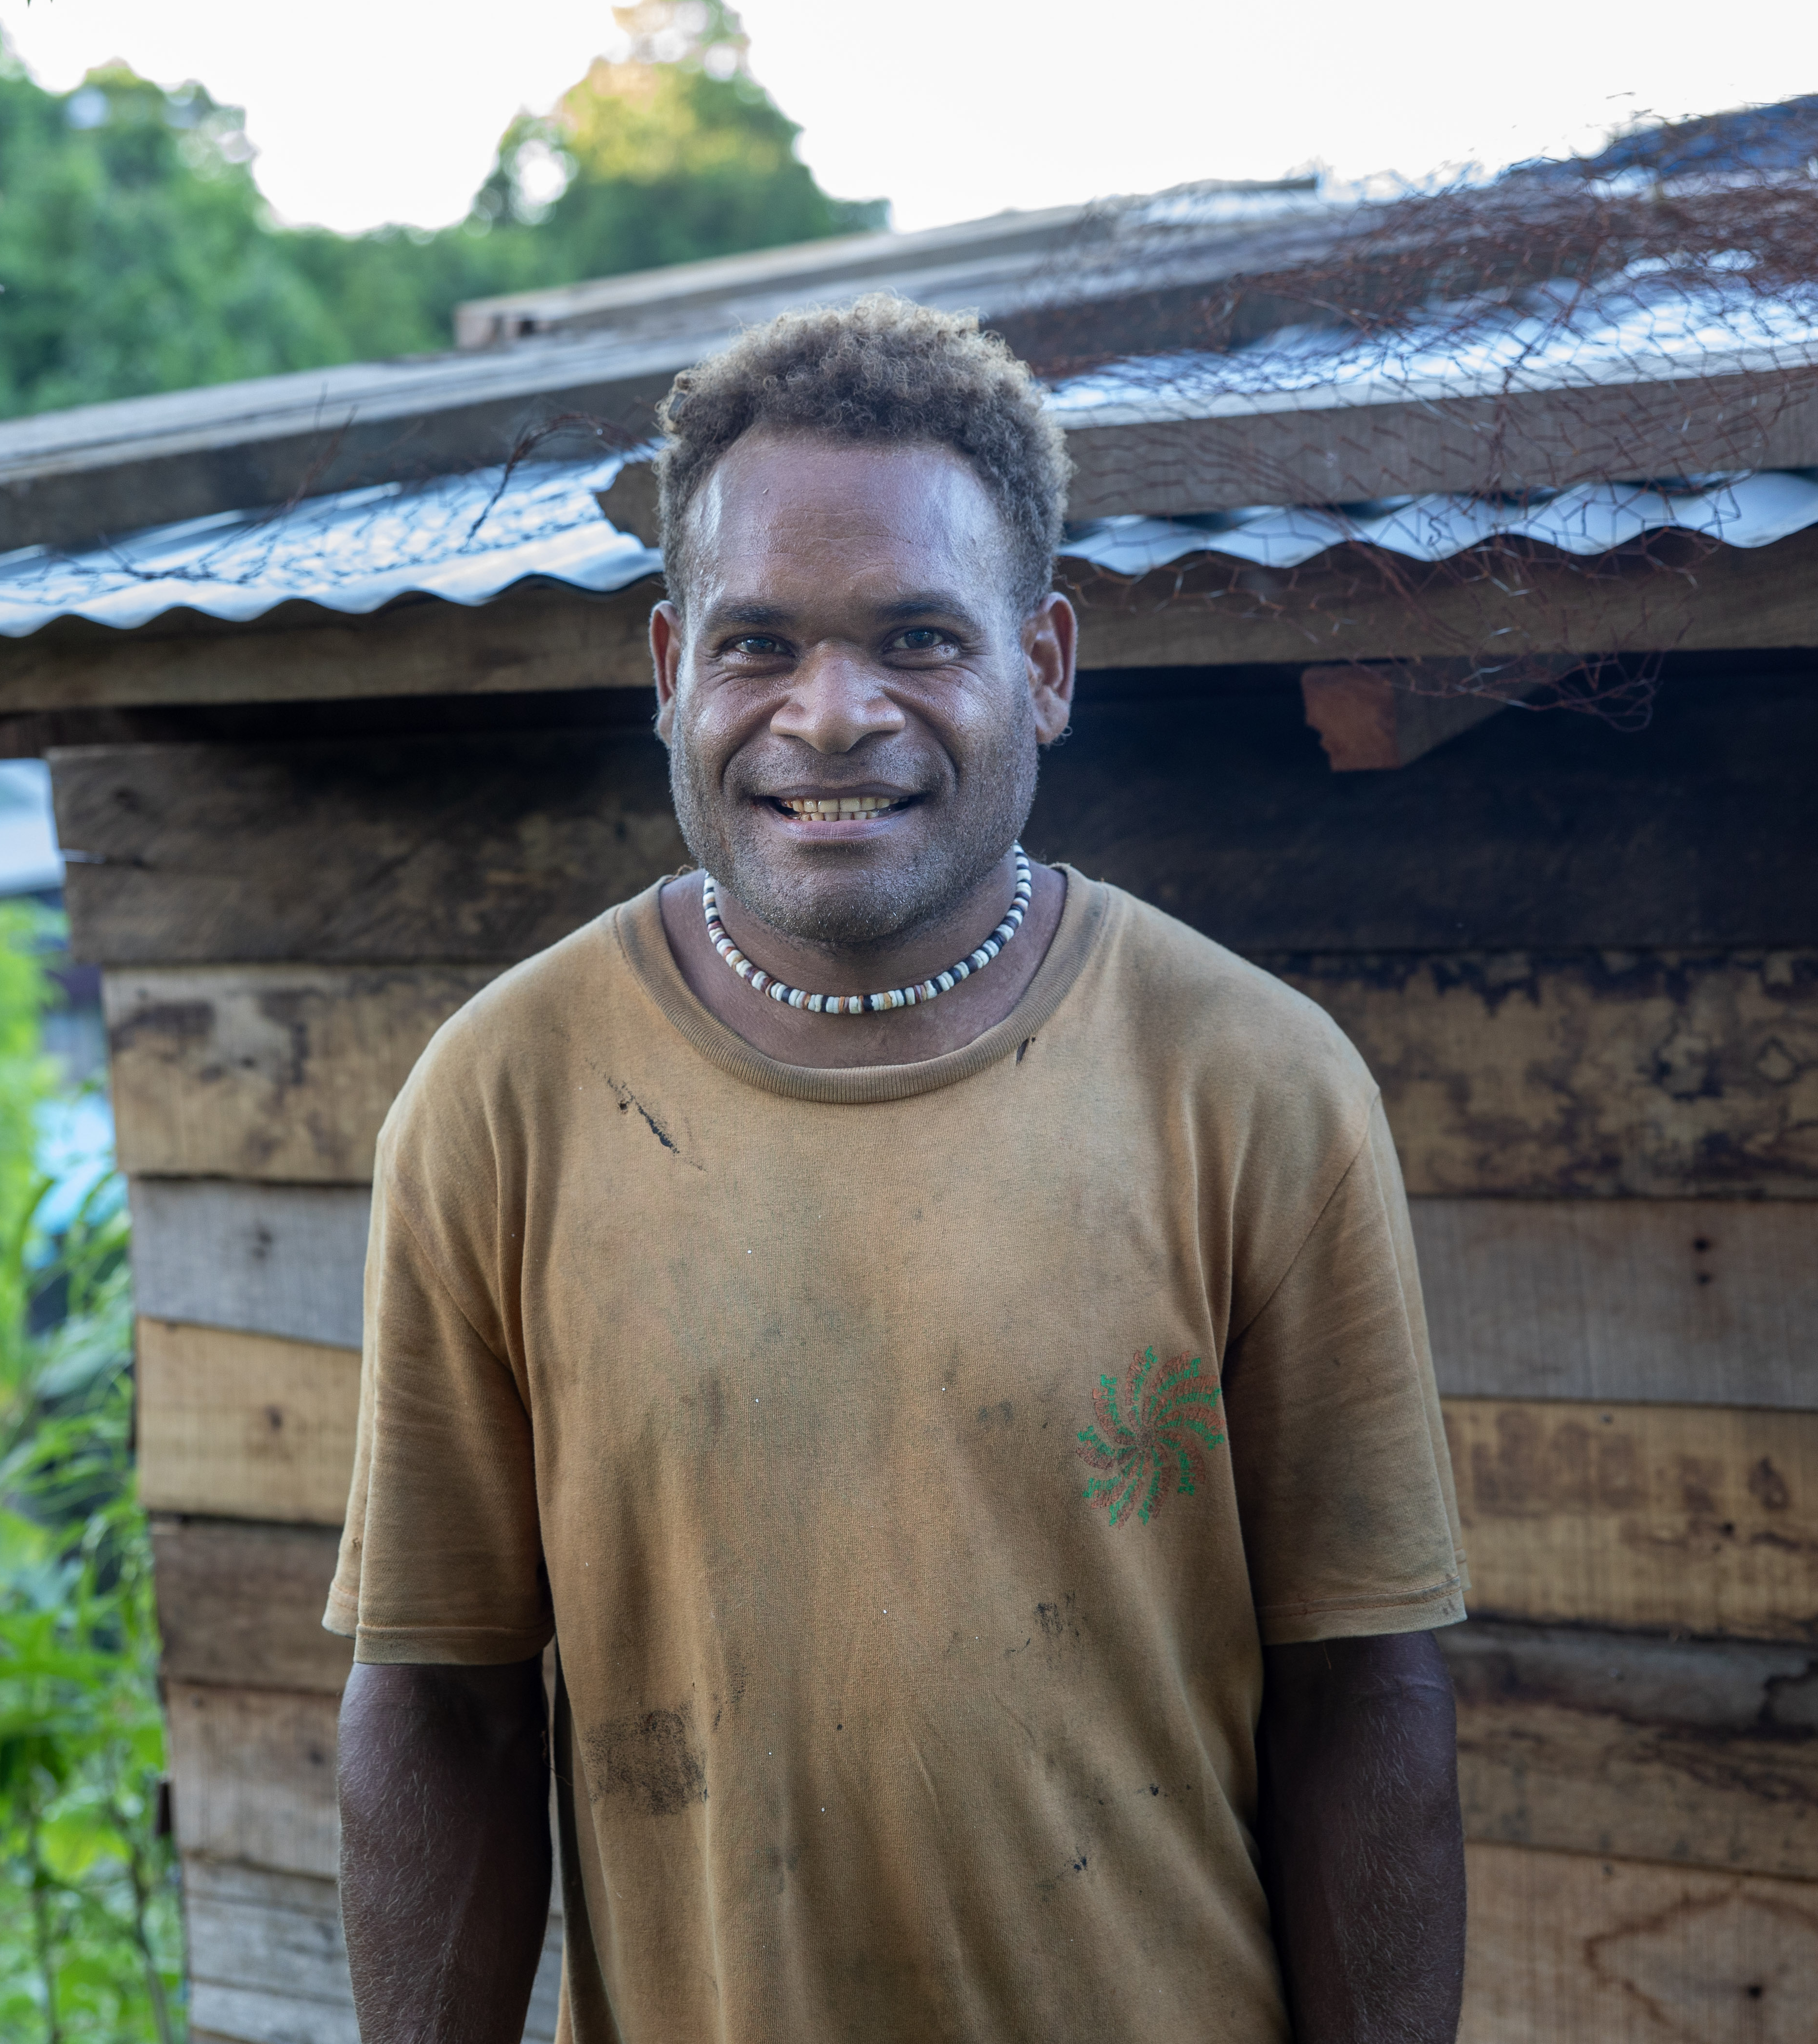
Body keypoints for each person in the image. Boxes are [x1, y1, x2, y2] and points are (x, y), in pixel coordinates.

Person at [325, 293, 1468, 2043]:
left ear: (1047, 665)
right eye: (759, 643)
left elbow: (1363, 1694)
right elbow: (439, 1704)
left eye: (919, 638)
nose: (833, 714)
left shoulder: (1251, 1083)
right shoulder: (501, 1103)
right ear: (670, 671)